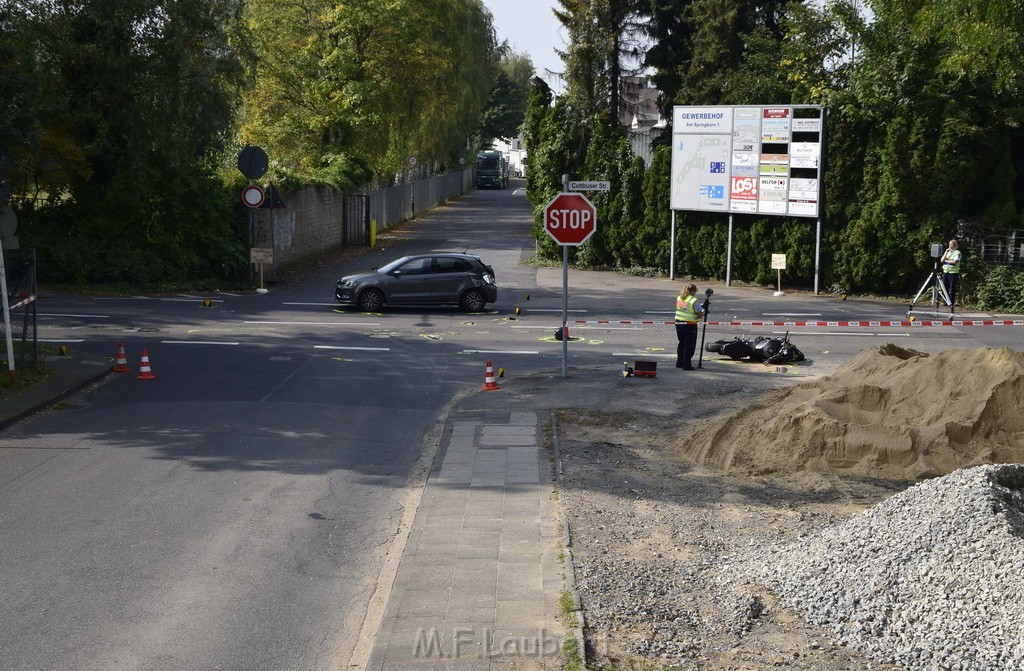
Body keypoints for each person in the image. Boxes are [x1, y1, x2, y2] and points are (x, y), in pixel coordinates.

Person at [675, 284, 704, 370]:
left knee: (682, 343)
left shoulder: (680, 298)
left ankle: (679, 362)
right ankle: (687, 365)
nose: (695, 293)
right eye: (695, 291)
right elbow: (700, 314)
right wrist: (702, 312)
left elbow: (684, 309)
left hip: (679, 323)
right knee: (689, 345)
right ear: (692, 291)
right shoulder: (693, 300)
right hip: (690, 324)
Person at [941, 239, 962, 308]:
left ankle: (951, 302)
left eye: (951, 244)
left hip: (953, 273)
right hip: (946, 272)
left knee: (952, 288)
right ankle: (945, 301)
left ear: (955, 245)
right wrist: (946, 252)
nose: (950, 245)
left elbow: (954, 262)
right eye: (949, 244)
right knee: (945, 287)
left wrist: (946, 261)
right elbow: (942, 260)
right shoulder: (948, 252)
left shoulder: (957, 253)